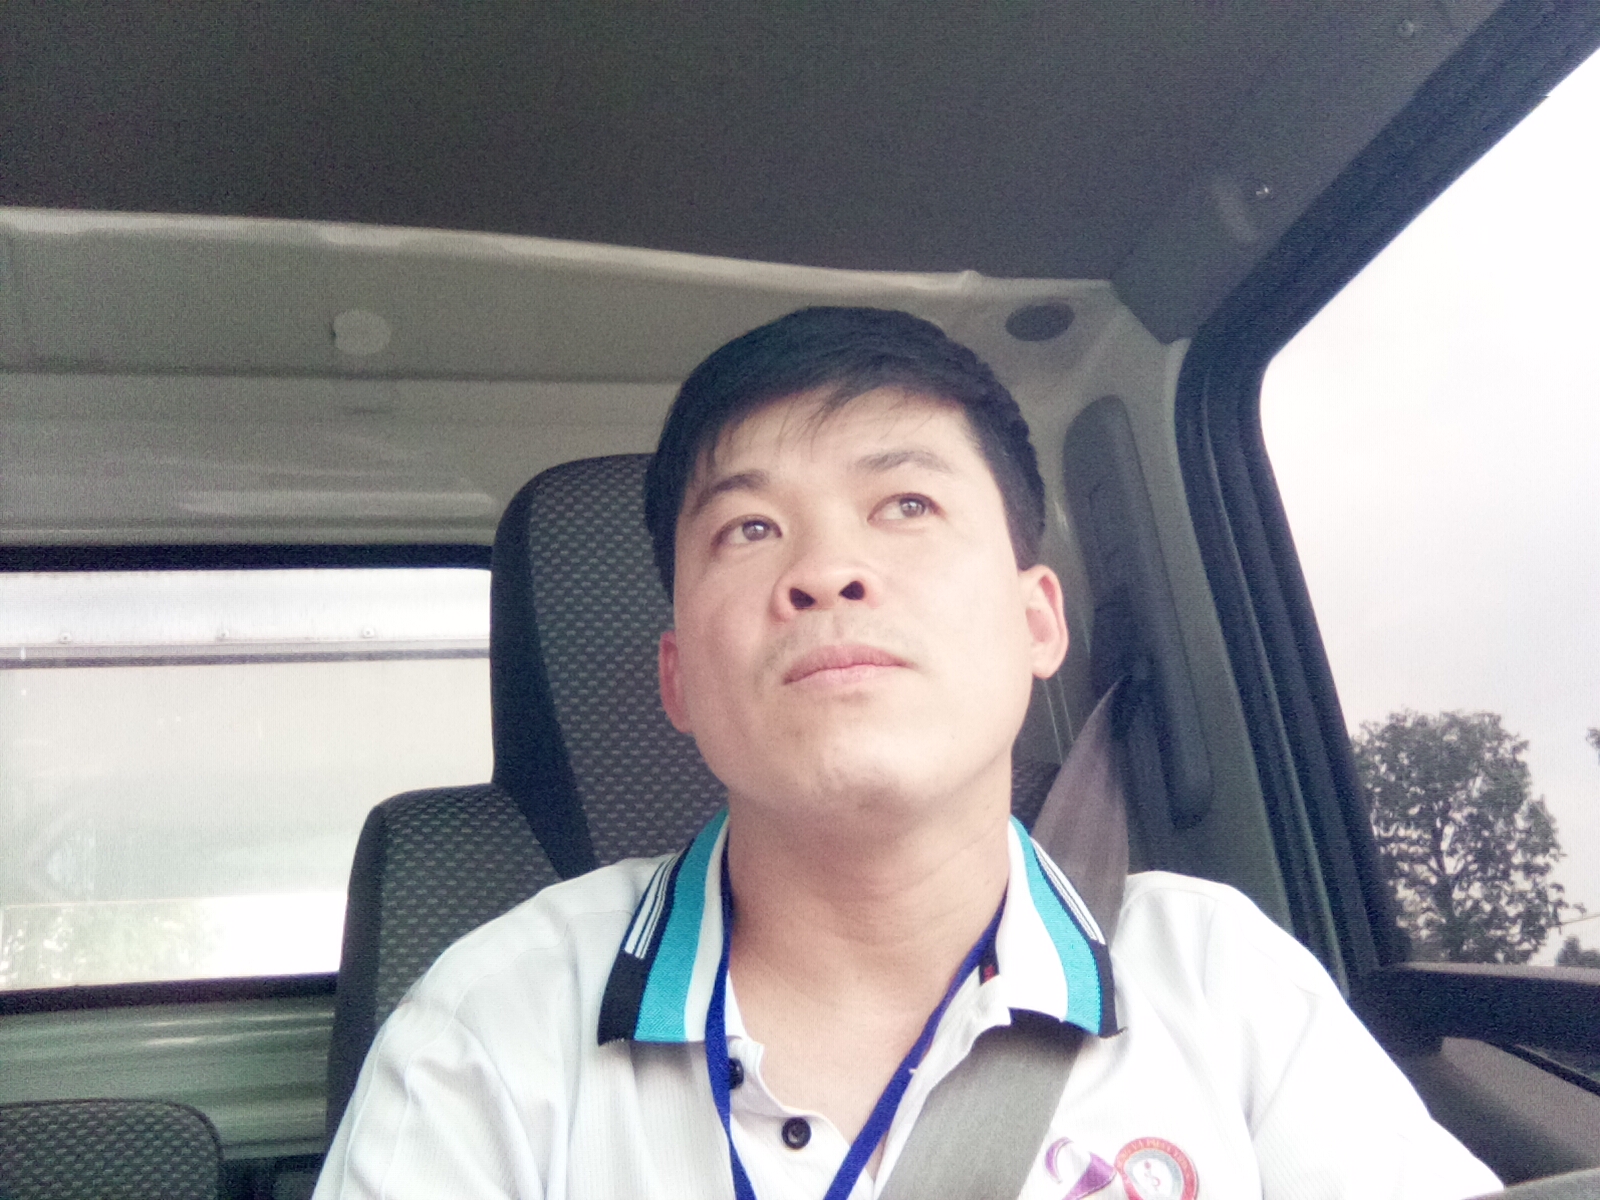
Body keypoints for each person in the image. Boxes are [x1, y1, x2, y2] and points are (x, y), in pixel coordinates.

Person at [314, 307, 1500, 1199]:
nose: (826, 571)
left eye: (906, 507)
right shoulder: (492, 1029)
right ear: (676, 679)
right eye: (749, 528)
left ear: (1038, 622)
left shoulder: (1222, 983)